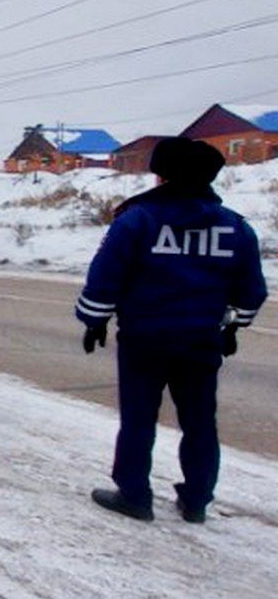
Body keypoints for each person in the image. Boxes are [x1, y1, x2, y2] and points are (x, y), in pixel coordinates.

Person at [78, 137, 267, 523]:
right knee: (199, 423)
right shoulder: (235, 228)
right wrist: (233, 326)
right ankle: (196, 501)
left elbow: (105, 277)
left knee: (138, 420)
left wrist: (94, 319)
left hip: (144, 339)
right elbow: (251, 292)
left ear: (161, 175)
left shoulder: (138, 220)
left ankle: (134, 495)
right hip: (200, 341)